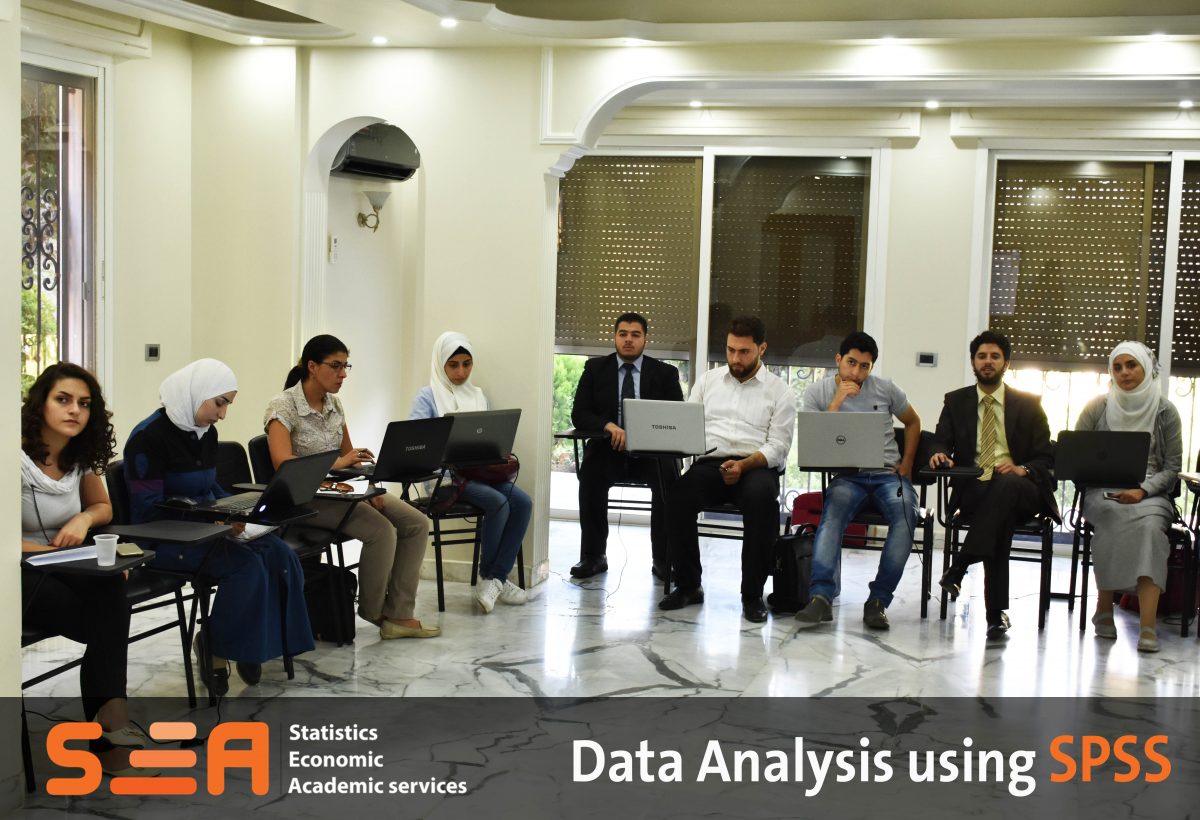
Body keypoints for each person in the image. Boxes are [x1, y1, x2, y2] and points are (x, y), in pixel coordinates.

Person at [125, 359, 315, 695]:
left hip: (207, 529)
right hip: (165, 539)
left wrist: (237, 509)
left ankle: (253, 642)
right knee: (245, 565)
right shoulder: (147, 438)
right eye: (219, 403)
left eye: (227, 405)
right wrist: (213, 519)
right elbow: (148, 509)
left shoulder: (205, 432)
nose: (223, 415)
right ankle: (215, 646)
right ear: (196, 393)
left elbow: (207, 487)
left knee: (281, 555)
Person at [20, 363, 153, 776]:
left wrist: (82, 520)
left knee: (111, 592)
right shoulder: (12, 455)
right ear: (40, 404)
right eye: (63, 399)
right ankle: (111, 733)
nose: (75, 410)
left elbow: (102, 506)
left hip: (56, 562)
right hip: (15, 570)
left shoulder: (79, 457)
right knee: (108, 616)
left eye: (84, 403)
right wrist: (56, 553)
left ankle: (110, 726)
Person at [265, 334, 438, 639]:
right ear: (312, 366)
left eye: (346, 366)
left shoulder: (334, 404)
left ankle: (399, 613)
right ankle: (374, 611)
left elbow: (350, 458)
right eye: (336, 366)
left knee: (417, 523)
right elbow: (283, 464)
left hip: (342, 491)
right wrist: (336, 465)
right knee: (381, 531)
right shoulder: (283, 406)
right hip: (305, 498)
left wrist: (369, 488)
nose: (343, 374)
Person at [659, 316, 796, 622]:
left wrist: (744, 465)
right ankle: (689, 585)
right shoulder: (708, 381)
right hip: (711, 462)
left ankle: (752, 596)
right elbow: (688, 427)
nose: (735, 358)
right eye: (731, 350)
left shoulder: (780, 392)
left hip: (756, 465)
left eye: (744, 352)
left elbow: (779, 447)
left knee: (762, 501)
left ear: (761, 348)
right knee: (678, 496)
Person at [930, 330, 1058, 639]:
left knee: (1005, 486)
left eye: (995, 356)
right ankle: (994, 615)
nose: (988, 361)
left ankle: (960, 566)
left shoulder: (1029, 404)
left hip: (1023, 489)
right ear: (973, 362)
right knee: (1000, 518)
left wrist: (1022, 469)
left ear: (1006, 363)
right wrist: (938, 453)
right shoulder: (956, 401)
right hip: (975, 488)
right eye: (982, 356)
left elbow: (1046, 456)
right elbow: (940, 440)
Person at [794, 332, 921, 632]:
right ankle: (821, 597)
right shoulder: (817, 392)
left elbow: (913, 422)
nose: (856, 372)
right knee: (832, 517)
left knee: (906, 516)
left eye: (864, 366)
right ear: (838, 359)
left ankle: (878, 601)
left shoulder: (886, 389)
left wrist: (907, 464)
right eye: (851, 363)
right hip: (847, 477)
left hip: (887, 474)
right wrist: (837, 401)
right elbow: (816, 442)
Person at [410, 331, 532, 613]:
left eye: (467, 364)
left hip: (480, 474)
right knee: (498, 502)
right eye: (453, 365)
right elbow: (416, 444)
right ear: (440, 364)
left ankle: (495, 579)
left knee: (523, 502)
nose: (461, 372)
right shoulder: (427, 397)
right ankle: (490, 576)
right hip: (444, 479)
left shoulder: (478, 396)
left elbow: (489, 438)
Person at [1075, 341, 1181, 653]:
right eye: (1117, 367)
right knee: (1112, 515)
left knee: (1149, 529)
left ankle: (1148, 626)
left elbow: (1172, 468)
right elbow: (1075, 454)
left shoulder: (1166, 412)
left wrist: (1143, 490)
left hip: (1151, 494)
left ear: (1145, 368)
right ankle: (1104, 608)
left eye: (1131, 365)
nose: (1124, 372)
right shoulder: (1097, 407)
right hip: (1102, 492)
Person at [570, 312, 683, 580]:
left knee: (668, 477)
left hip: (651, 453)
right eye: (623, 334)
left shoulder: (665, 373)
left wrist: (650, 432)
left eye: (635, 335)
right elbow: (579, 414)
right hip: (608, 449)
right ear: (615, 337)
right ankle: (594, 556)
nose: (628, 340)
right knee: (591, 475)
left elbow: (677, 415)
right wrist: (607, 425)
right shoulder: (595, 369)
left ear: (645, 339)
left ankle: (663, 559)